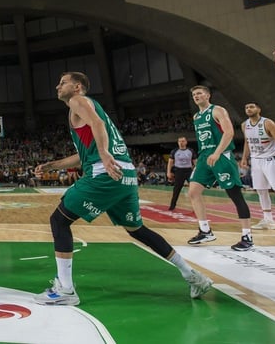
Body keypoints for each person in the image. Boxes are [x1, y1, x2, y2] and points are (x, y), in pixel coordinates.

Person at [32, 72, 211, 306]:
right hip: (125, 173)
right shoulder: (87, 109)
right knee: (136, 229)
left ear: (77, 87)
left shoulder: (79, 101)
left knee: (59, 220)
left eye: (63, 82)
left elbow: (97, 127)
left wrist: (105, 155)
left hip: (106, 172)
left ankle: (66, 290)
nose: (57, 85)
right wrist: (52, 165)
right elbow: (84, 153)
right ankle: (192, 275)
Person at [185, 86, 253, 251]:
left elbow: (229, 133)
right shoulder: (196, 116)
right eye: (194, 95)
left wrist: (216, 153)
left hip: (221, 156)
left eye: (199, 93)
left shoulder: (217, 110)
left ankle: (247, 236)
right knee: (193, 192)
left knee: (235, 195)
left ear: (208, 95)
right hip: (204, 157)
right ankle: (205, 230)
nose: (196, 96)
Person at [239, 102, 275, 233]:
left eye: (251, 107)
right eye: (246, 107)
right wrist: (244, 158)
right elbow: (247, 142)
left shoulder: (268, 123)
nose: (248, 109)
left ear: (259, 109)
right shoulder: (244, 125)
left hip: (271, 159)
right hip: (255, 160)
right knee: (261, 191)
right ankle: (268, 220)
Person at [166, 137, 196, 211]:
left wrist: (197, 171)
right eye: (179, 141)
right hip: (179, 171)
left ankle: (195, 207)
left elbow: (196, 162)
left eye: (183, 141)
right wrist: (168, 172)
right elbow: (170, 163)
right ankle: (172, 206)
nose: (181, 142)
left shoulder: (191, 151)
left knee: (194, 189)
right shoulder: (174, 151)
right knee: (176, 189)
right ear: (178, 142)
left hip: (189, 171)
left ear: (186, 142)